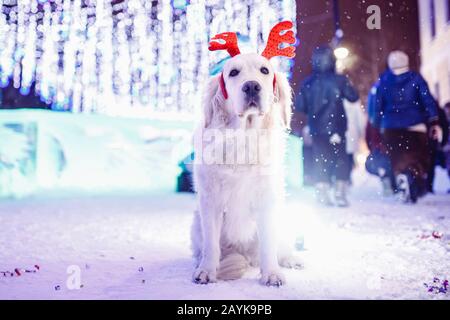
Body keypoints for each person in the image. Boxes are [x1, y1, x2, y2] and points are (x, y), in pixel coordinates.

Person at [370, 50, 441, 203]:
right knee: (418, 157)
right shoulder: (416, 78)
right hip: (415, 126)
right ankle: (412, 176)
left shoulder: (384, 80)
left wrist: (376, 124)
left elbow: (377, 106)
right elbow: (427, 101)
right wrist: (433, 120)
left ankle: (401, 176)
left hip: (391, 128)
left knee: (396, 157)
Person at [296, 46, 359, 207]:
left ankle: (322, 192)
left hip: (317, 129)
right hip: (338, 127)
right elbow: (353, 97)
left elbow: (300, 106)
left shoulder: (308, 82)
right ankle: (340, 193)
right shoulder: (340, 80)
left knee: (320, 160)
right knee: (341, 159)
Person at [426, 102, 449, 193]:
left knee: (428, 164)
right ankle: (428, 186)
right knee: (430, 164)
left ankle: (426, 186)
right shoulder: (435, 108)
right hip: (431, 141)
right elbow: (445, 126)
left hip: (427, 140)